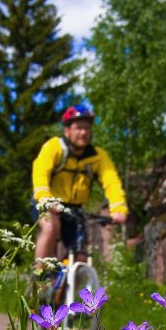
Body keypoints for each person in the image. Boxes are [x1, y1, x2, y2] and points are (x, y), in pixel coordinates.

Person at [30, 104, 128, 279]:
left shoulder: (98, 156)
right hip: (47, 202)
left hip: (75, 208)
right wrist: (45, 198)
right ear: (67, 130)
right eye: (78, 128)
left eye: (87, 128)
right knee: (51, 227)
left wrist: (118, 207)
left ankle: (63, 297)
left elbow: (111, 181)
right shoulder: (54, 147)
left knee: (81, 258)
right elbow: (40, 172)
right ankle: (39, 277)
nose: (83, 132)